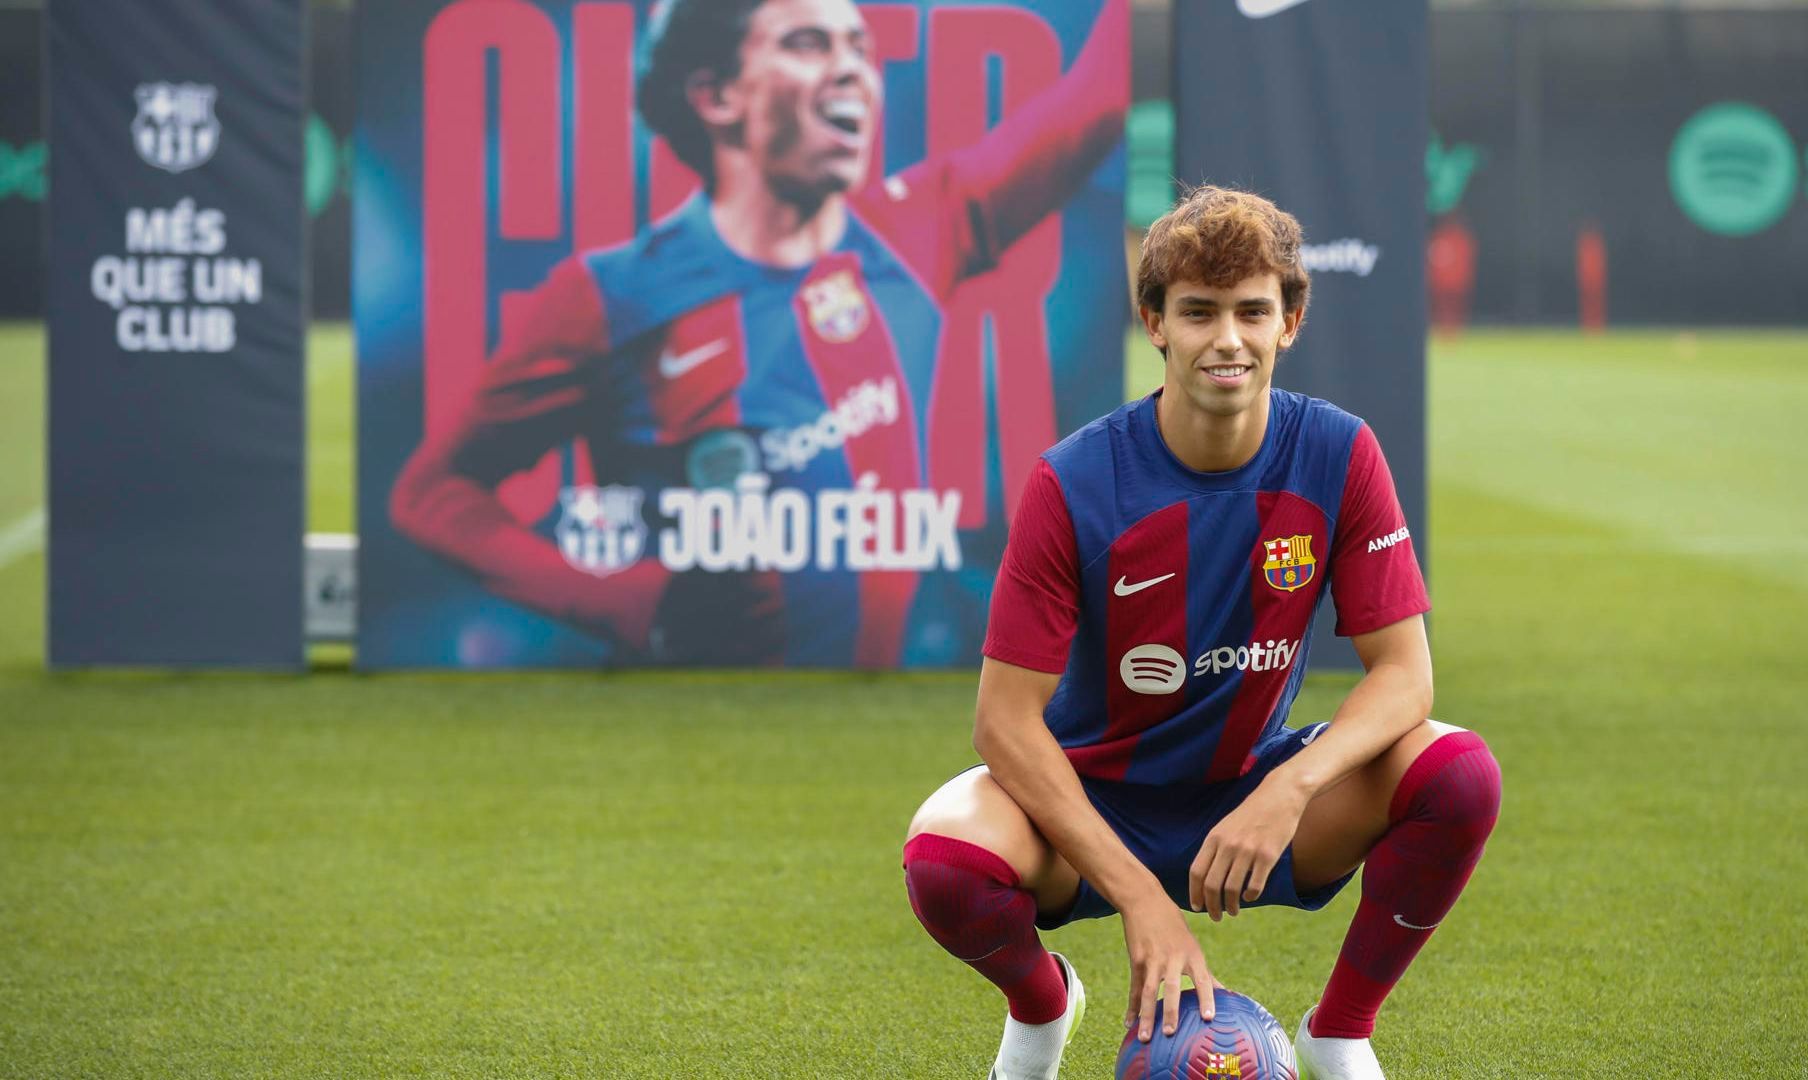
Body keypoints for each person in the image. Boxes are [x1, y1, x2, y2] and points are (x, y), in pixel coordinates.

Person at [902, 186, 1502, 1080]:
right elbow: (1003, 724)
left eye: (1253, 311)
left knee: (1458, 775)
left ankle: (1339, 1033)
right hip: (1093, 799)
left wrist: (1289, 788)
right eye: (1199, 312)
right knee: (944, 859)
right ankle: (1043, 1011)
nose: (1228, 339)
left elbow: (1405, 677)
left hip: (1249, 788)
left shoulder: (1340, 452)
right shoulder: (1073, 481)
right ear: (1154, 322)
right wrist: (1141, 897)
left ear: (1290, 320)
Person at [391, 0, 1126, 667]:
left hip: (896, 696)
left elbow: (1098, 98)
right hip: (694, 712)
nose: (852, 72)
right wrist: (625, 602)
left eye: (859, 49)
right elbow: (433, 494)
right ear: (716, 96)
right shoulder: (608, 295)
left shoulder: (921, 224)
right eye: (809, 44)